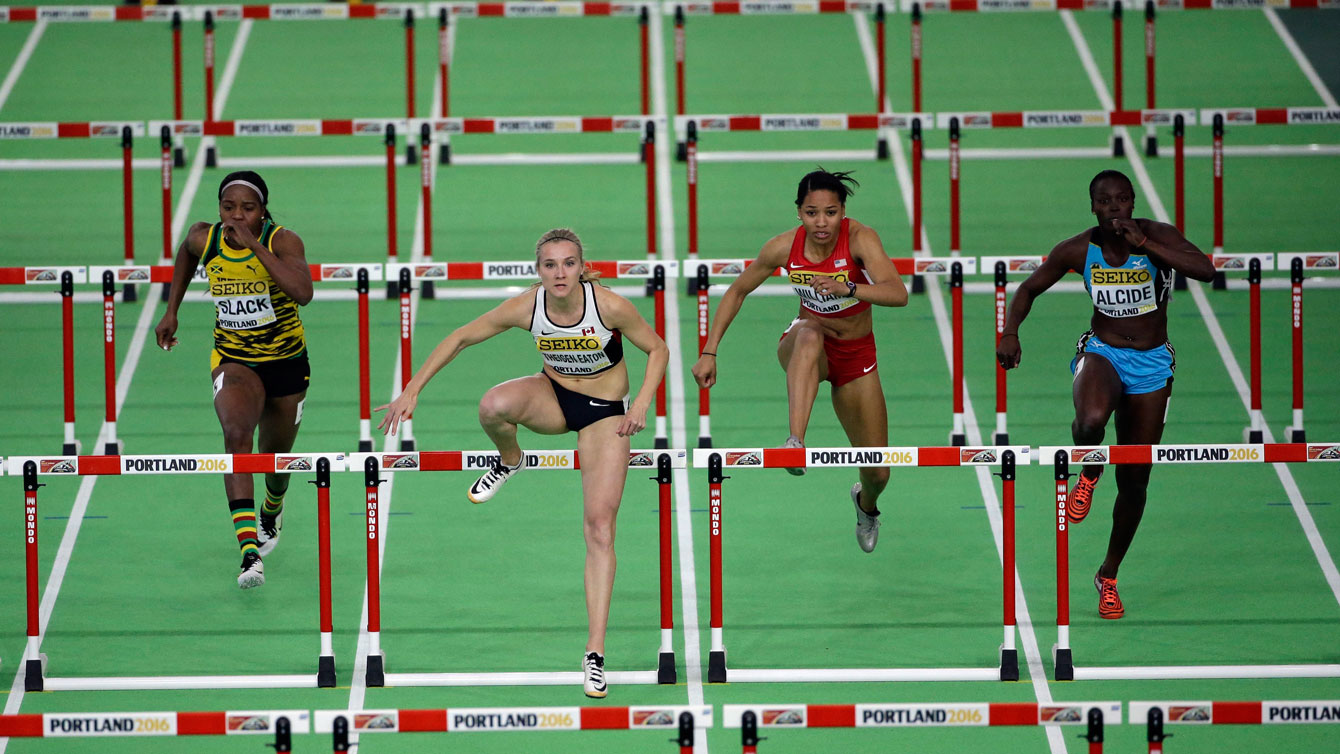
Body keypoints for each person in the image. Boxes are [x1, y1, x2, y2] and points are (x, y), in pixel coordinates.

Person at [376, 228, 669, 698]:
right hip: (552, 397)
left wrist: (641, 406)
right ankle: (511, 460)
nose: (559, 273)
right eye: (550, 265)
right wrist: (413, 388)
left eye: (568, 263)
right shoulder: (527, 306)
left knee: (599, 528)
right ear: (539, 271)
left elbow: (658, 349)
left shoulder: (608, 305)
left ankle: (594, 653)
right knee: (492, 406)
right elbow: (460, 337)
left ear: (580, 266)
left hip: (605, 415)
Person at [996, 169, 1214, 619]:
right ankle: (1090, 469)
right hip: (1103, 351)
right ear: (1093, 207)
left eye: (1122, 200)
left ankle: (1108, 575)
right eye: (1105, 201)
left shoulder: (1157, 236)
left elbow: (1206, 270)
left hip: (1153, 364)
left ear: (1133, 203)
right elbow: (1029, 287)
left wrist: (1146, 246)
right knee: (1092, 420)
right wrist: (1010, 332)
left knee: (1135, 480)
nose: (1115, 208)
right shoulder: (1079, 249)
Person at [691, 168, 908, 553]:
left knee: (878, 470)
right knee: (808, 331)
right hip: (807, 347)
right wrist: (710, 350)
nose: (821, 222)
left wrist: (850, 287)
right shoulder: (782, 247)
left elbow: (898, 293)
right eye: (811, 213)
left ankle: (866, 504)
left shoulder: (861, 239)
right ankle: (795, 441)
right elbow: (738, 290)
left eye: (830, 212)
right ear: (798, 212)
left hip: (856, 354)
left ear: (842, 211)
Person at [154, 171, 313, 590]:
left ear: (263, 210)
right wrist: (173, 310)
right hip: (234, 359)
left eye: (248, 208)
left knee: (275, 458)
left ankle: (272, 508)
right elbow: (187, 255)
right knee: (236, 436)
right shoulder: (204, 238)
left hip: (286, 362)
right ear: (219, 209)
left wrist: (255, 245)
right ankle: (248, 553)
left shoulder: (283, 241)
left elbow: (302, 292)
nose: (237, 216)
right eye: (229, 208)